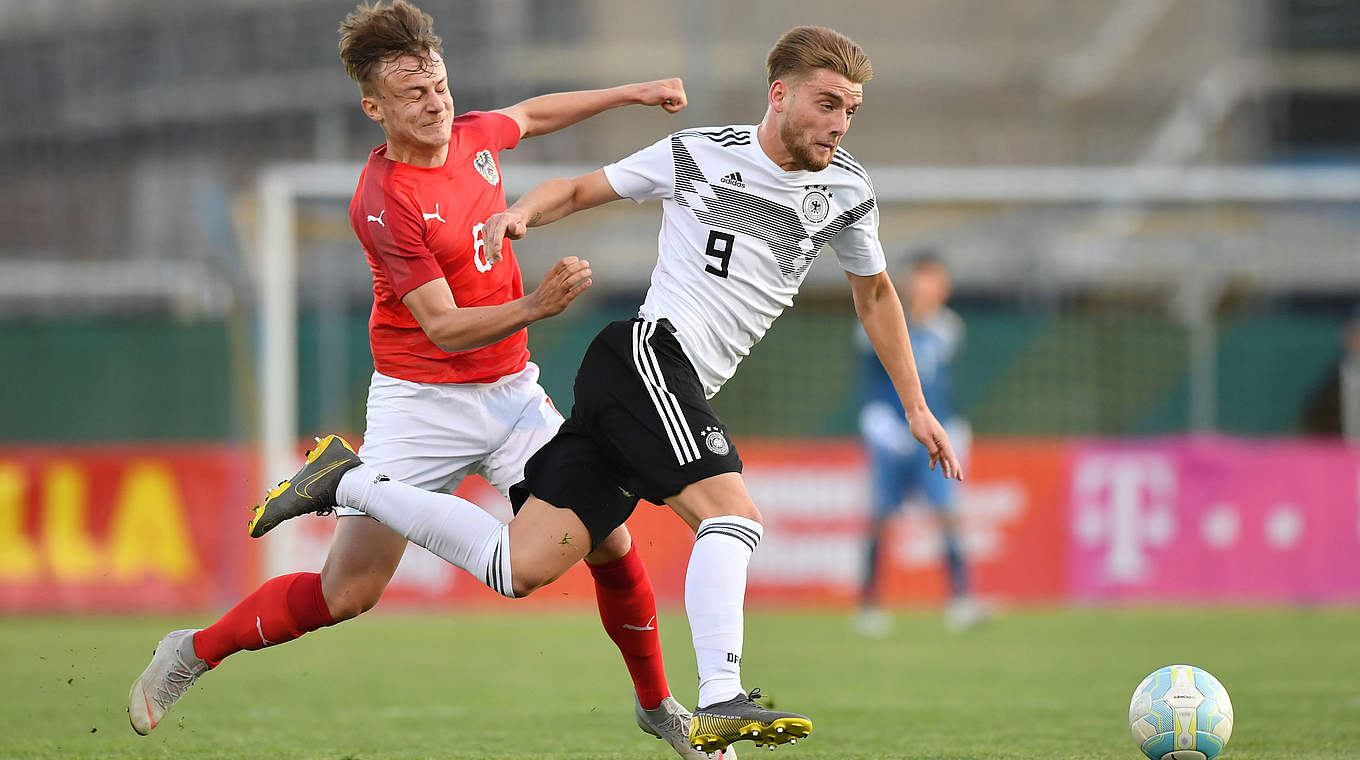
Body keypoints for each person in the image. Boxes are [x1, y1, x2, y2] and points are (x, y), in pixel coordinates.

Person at [249, 24, 961, 755]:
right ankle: (718, 697)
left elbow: (876, 296)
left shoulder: (848, 191)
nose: (840, 124)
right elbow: (581, 186)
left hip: (651, 386)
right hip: (647, 358)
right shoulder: (701, 154)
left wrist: (916, 406)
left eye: (851, 110)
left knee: (520, 567)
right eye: (827, 104)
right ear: (779, 95)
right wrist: (523, 212)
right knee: (733, 515)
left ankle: (348, 479)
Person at [127, 4, 723, 758]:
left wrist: (632, 92)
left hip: (512, 394)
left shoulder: (470, 136)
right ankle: (193, 649)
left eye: (439, 85)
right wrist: (535, 305)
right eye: (413, 94)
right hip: (421, 406)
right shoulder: (384, 200)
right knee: (347, 594)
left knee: (609, 540)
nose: (435, 102)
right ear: (374, 108)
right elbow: (442, 327)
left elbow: (531, 114)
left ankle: (658, 705)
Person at [853, 251, 982, 636]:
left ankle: (961, 601)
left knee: (947, 513)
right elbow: (870, 382)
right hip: (892, 437)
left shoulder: (949, 330)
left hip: (934, 438)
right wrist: (879, 423)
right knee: (880, 518)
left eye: (935, 282)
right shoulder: (878, 322)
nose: (928, 289)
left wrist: (955, 425)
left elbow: (948, 385)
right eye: (922, 280)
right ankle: (869, 605)